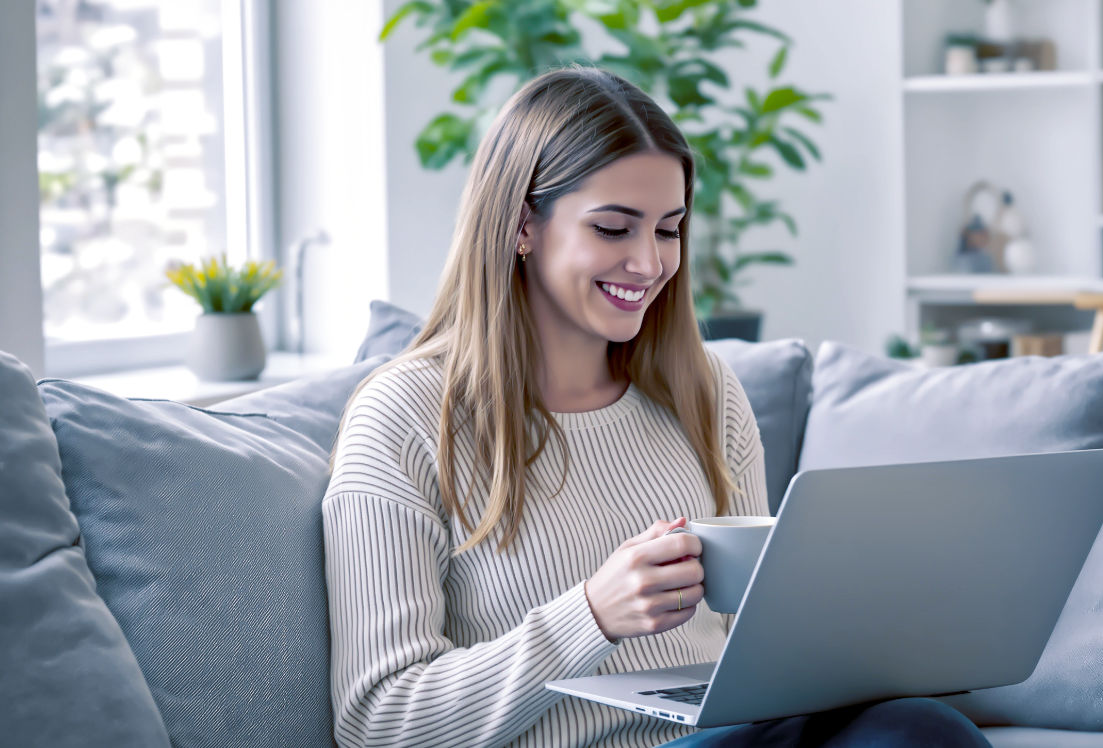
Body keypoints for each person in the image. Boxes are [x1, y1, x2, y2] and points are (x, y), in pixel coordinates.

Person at [321, 64, 991, 748]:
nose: (648, 264)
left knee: (920, 728)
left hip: (729, 739)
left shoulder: (703, 393)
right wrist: (592, 616)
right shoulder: (404, 417)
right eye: (614, 229)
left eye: (668, 230)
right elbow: (378, 721)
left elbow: (756, 655)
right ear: (524, 224)